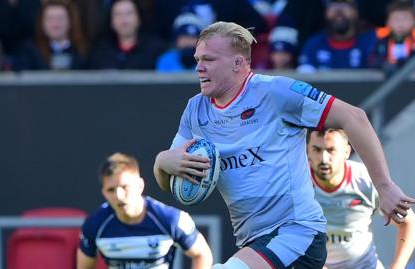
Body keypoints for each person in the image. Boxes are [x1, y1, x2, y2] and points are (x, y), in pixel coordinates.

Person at [153, 21, 415, 269]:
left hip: (299, 234)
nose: (199, 67)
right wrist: (162, 162)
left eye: (208, 59)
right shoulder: (195, 110)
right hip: (254, 243)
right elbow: (173, 183)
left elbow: (354, 117)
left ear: (237, 63)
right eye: (198, 59)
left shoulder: (276, 92)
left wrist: (384, 185)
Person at [77, 152, 213, 269]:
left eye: (125, 187)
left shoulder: (171, 219)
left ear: (140, 185)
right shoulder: (94, 224)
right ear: (104, 193)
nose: (119, 196)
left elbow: (202, 254)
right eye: (111, 190)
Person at [307, 129, 415, 269]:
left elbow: (408, 223)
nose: (323, 158)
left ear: (347, 152)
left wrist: (397, 267)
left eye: (331, 150)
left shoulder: (367, 180)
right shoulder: (295, 185)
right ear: (307, 150)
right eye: (316, 150)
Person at [297, 0, 376, 72]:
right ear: (325, 12)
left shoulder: (372, 41)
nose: (339, 11)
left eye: (345, 5)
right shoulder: (314, 44)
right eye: (333, 4)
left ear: (356, 11)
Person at [85, 0, 166, 70]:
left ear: (139, 18)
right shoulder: (100, 51)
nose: (124, 19)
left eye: (129, 13)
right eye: (118, 14)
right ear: (111, 21)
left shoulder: (155, 49)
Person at [13, 0, 88, 70]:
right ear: (42, 23)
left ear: (70, 22)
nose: (55, 24)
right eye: (50, 19)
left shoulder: (83, 50)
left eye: (60, 18)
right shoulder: (30, 51)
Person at [369, 1, 415, 76]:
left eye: (405, 19)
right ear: (388, 22)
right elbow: (373, 61)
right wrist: (384, 65)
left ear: (413, 21)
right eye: (396, 19)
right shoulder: (382, 42)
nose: (400, 23)